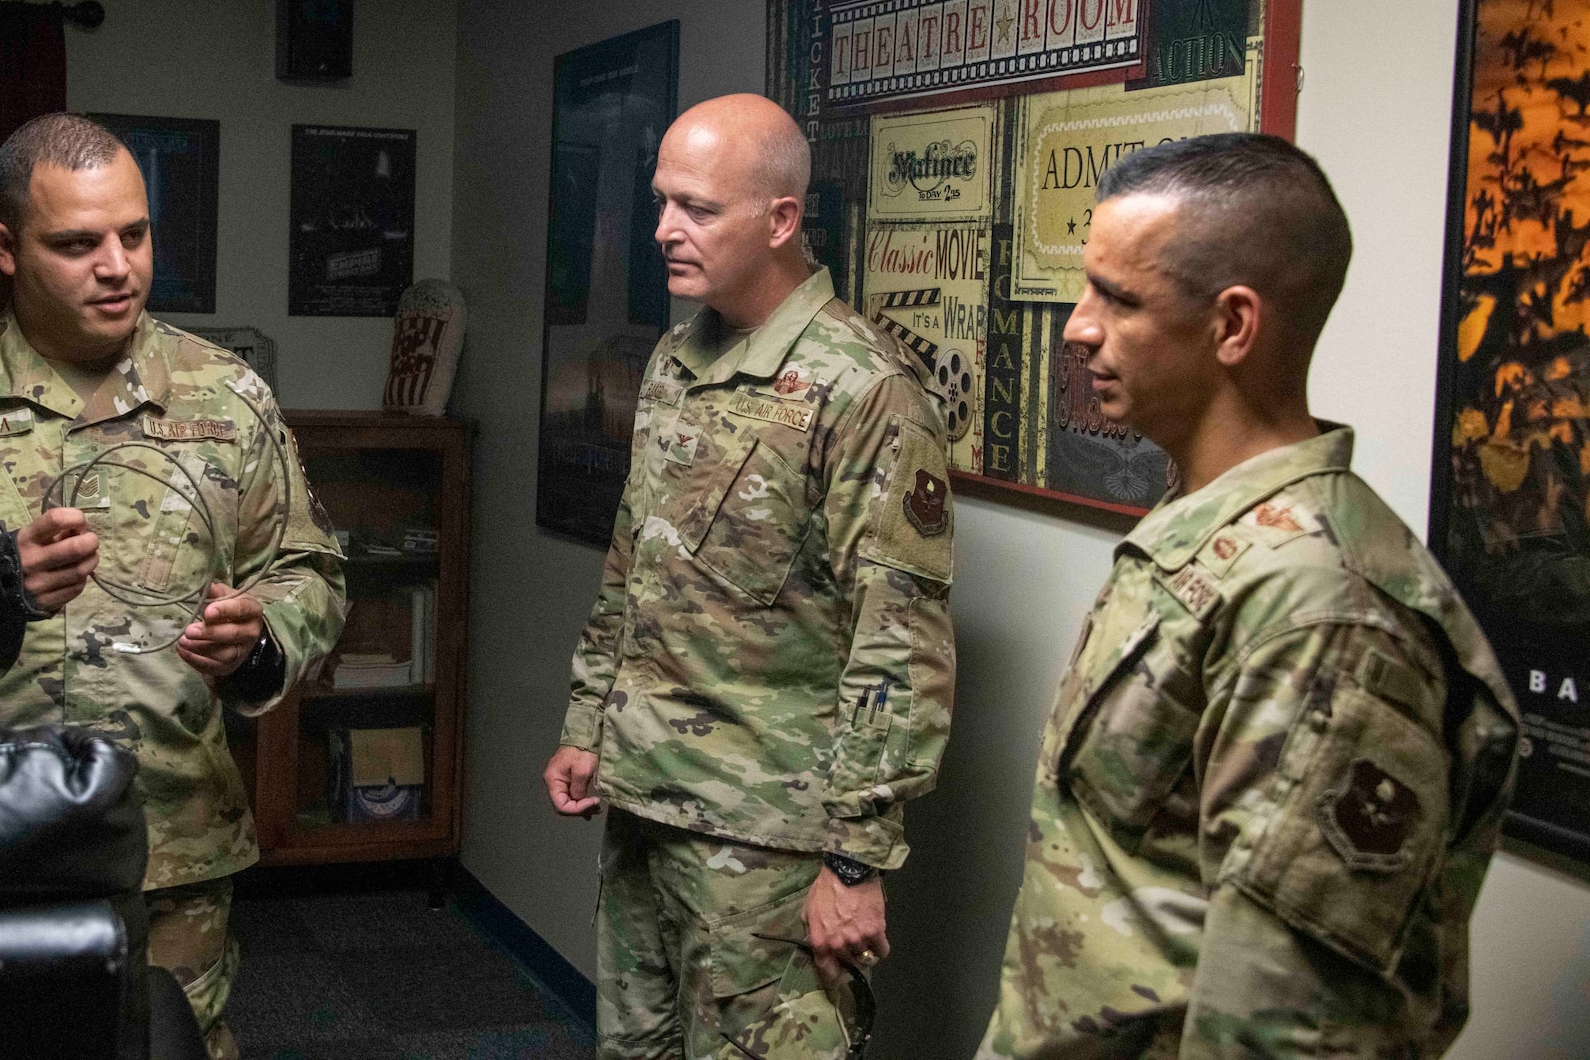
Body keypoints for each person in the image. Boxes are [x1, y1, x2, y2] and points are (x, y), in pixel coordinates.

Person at [0, 113, 345, 1059]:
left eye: (135, 234)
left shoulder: (227, 395)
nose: (118, 265)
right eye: (77, 243)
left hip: (168, 841)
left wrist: (260, 640)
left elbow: (311, 571)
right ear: (6, 248)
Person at [978, 133, 1521, 1058]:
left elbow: (1287, 1027)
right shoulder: (1212, 529)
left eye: (1118, 297)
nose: (1077, 325)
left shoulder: (1322, 610)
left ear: (1234, 325)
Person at [542, 93, 957, 1059]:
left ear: (780, 219)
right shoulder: (674, 359)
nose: (662, 231)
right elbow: (634, 562)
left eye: (696, 208)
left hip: (767, 837)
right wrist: (588, 717)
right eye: (660, 202)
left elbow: (899, 637)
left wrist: (854, 856)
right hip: (646, 796)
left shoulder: (865, 388)